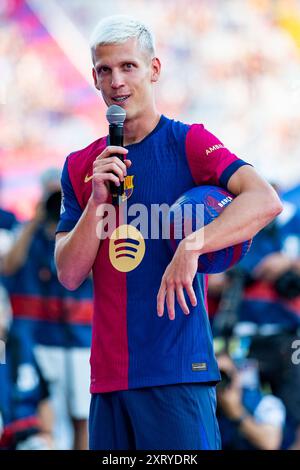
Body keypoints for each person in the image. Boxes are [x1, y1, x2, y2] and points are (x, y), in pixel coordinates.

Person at [55, 15, 282, 450]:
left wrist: (193, 245)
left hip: (178, 372)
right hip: (107, 378)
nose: (116, 81)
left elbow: (264, 200)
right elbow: (68, 273)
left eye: (128, 67)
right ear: (94, 79)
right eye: (105, 70)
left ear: (154, 70)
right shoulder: (81, 165)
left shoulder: (189, 142)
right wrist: (98, 200)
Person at [2, 190, 93, 450]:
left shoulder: (83, 227)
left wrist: (77, 227)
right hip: (43, 340)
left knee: (82, 416)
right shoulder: (35, 235)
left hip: (81, 339)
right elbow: (9, 265)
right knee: (49, 416)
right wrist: (34, 221)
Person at [216, 353, 285, 450]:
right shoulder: (207, 408)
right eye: (216, 377)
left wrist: (236, 413)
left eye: (224, 375)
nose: (221, 381)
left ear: (237, 376)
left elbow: (270, 443)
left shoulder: (265, 402)